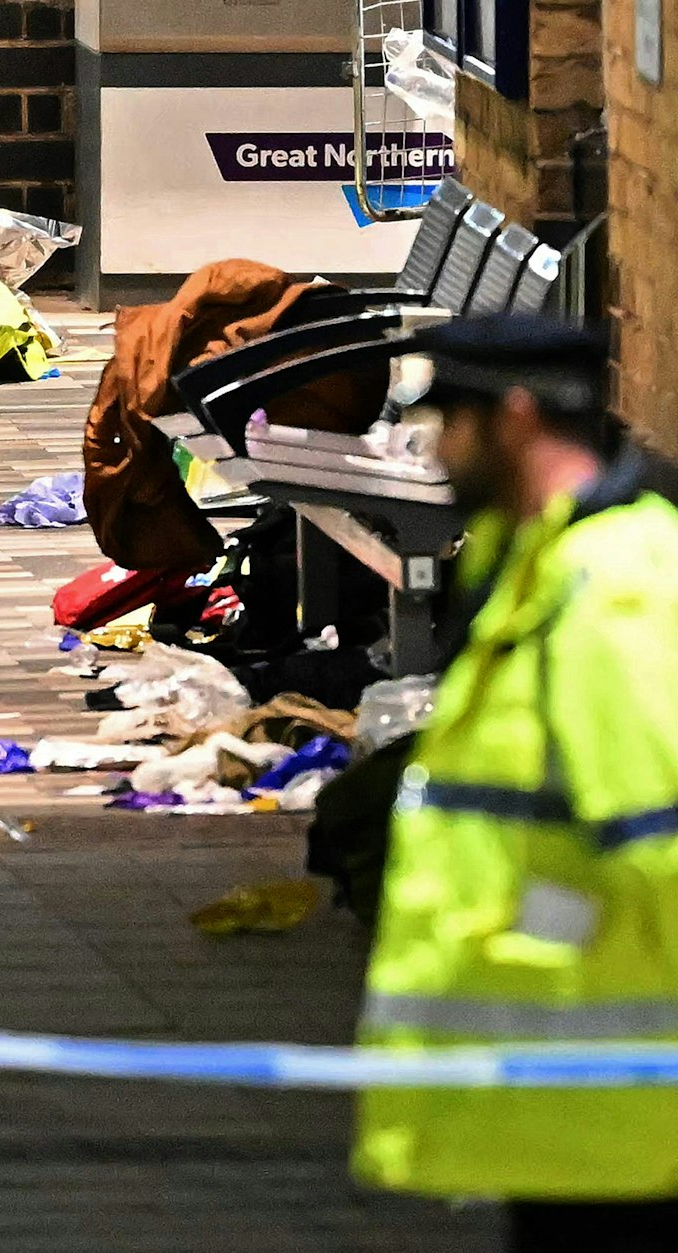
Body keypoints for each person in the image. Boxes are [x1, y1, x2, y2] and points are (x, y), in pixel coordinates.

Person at [351, 315, 678, 1252]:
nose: (435, 446)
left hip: (625, 1122)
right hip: (573, 1112)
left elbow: (664, 841)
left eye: (448, 419)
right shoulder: (536, 562)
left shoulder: (611, 595)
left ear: (515, 417)